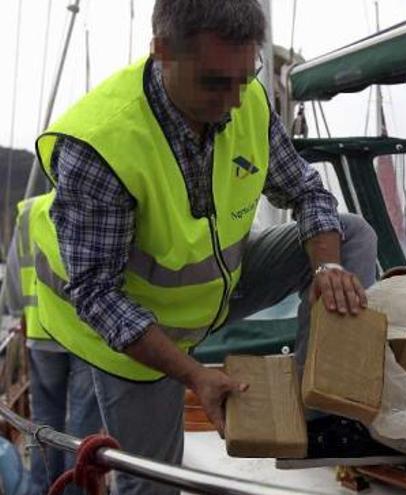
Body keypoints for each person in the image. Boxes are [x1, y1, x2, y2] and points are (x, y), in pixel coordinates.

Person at [29, 1, 377, 493]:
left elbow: (306, 192)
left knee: (352, 235)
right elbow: (97, 295)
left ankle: (321, 419)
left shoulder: (247, 98)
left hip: (218, 289)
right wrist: (194, 374)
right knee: (153, 484)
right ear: (162, 52)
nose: (235, 99)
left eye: (245, 77)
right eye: (216, 82)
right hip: (132, 333)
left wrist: (325, 270)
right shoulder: (99, 145)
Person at [6, 194, 103, 495]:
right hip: (87, 335)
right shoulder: (97, 204)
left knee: (44, 420)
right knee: (83, 421)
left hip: (40, 330)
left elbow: (13, 273)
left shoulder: (29, 211)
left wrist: (16, 311)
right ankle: (73, 491)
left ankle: (43, 487)